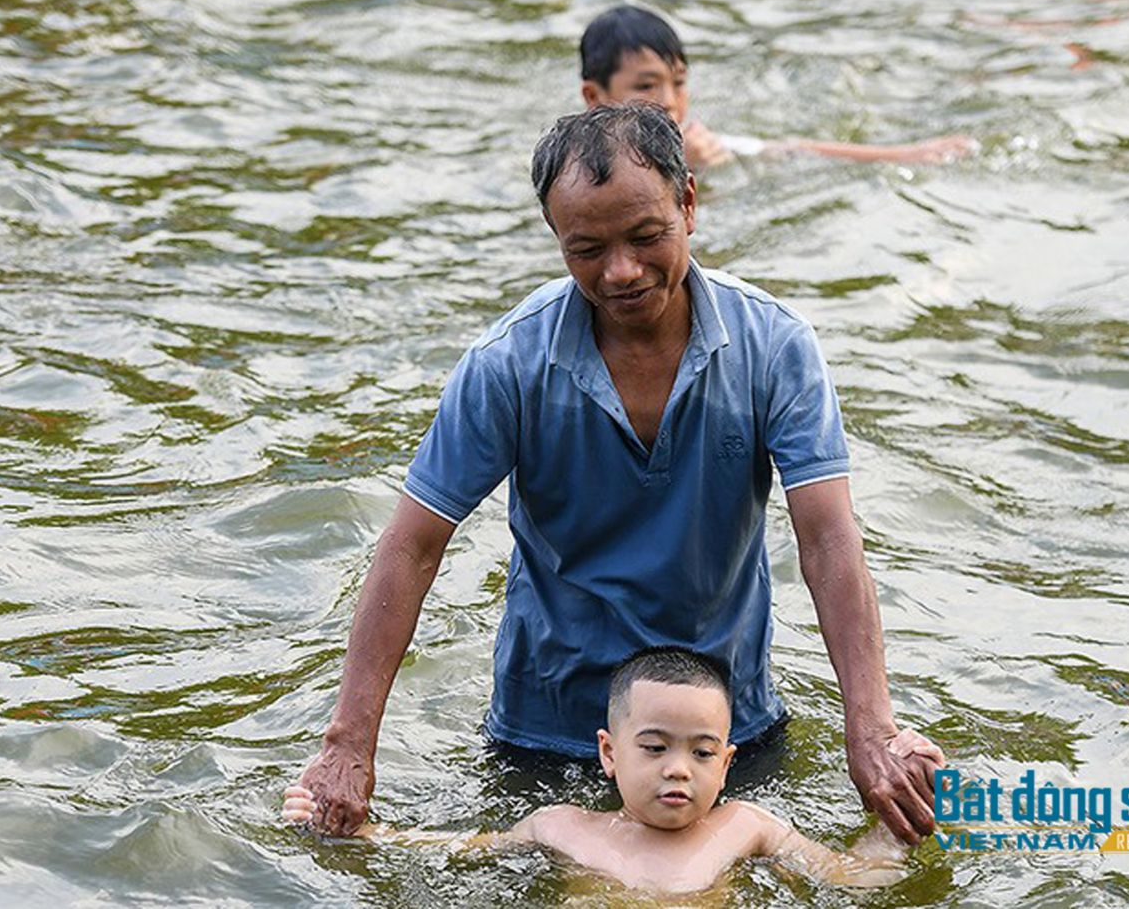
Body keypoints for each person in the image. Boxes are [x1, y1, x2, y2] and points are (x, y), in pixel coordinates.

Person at [296, 101, 943, 847]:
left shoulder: (774, 347)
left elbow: (828, 537)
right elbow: (412, 546)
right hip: (552, 731)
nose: (622, 271)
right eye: (587, 249)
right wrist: (348, 745)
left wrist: (871, 728)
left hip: (724, 732)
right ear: (555, 240)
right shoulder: (508, 363)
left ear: (689, 204)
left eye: (646, 237)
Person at [285, 647, 944, 894]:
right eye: (654, 748)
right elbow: (444, 854)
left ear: (728, 763)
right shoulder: (561, 826)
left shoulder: (746, 826)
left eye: (701, 753)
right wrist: (345, 831)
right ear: (608, 754)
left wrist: (904, 813)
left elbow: (857, 883)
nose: (677, 770)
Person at [579, 5, 976, 171]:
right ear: (595, 97)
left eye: (678, 83)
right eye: (646, 86)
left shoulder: (694, 141)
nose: (668, 102)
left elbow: (788, 149)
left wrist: (907, 153)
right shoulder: (579, 165)